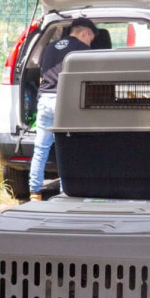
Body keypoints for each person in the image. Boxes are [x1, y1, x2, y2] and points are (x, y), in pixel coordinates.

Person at [28, 17, 98, 201]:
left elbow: (43, 73)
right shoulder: (83, 50)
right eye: (91, 38)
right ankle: (64, 191)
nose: (90, 42)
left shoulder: (50, 46)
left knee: (41, 147)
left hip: (44, 99)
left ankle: (34, 191)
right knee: (66, 147)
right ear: (85, 33)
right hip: (64, 102)